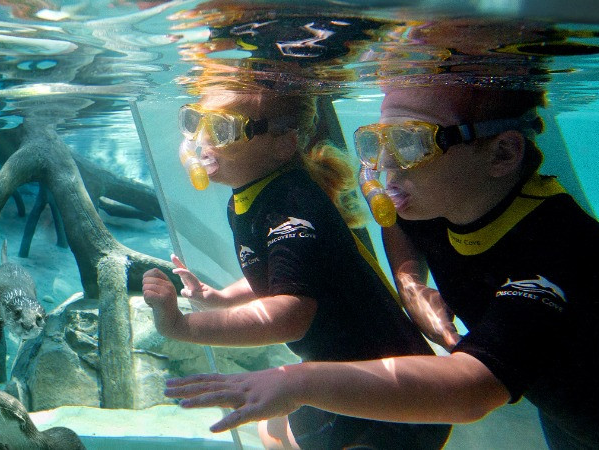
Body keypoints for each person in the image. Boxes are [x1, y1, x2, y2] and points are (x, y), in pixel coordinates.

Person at [163, 83, 599, 449]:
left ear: (503, 153)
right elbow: (395, 223)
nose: (385, 166)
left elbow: (471, 389)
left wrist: (298, 382)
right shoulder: (443, 198)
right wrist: (411, 283)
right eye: (378, 141)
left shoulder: (555, 249)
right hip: (577, 418)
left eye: (412, 142)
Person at [141, 81, 452, 449]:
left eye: (223, 129)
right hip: (342, 377)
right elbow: (290, 274)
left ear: (283, 143)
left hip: (389, 398)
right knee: (270, 433)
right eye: (198, 124)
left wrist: (181, 325)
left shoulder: (291, 205)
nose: (204, 142)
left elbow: (289, 313)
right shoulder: (250, 197)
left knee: (275, 434)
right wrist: (222, 297)